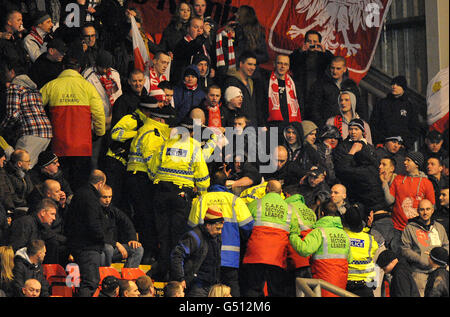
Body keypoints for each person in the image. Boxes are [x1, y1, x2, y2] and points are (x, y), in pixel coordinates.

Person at [148, 118, 210, 281]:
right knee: (177, 236)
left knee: (162, 235)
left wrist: (159, 180)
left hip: (161, 192)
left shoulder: (166, 143)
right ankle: (173, 277)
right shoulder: (193, 146)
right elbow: (202, 175)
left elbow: (153, 169)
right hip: (181, 195)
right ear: (191, 132)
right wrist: (202, 193)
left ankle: (161, 273)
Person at [40, 54, 105, 191]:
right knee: (80, 186)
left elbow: (35, 106)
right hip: (82, 147)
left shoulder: (51, 86)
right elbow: (99, 113)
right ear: (80, 69)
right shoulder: (88, 87)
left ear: (63, 67)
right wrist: (99, 132)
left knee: (60, 186)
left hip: (59, 145)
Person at [126, 96, 176, 263]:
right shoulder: (153, 133)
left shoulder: (150, 129)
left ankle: (148, 252)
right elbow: (151, 160)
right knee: (147, 217)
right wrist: (157, 179)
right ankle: (148, 254)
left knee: (144, 215)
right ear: (161, 120)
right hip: (142, 178)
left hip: (138, 177)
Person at [188, 170, 254, 297]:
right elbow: (248, 226)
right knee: (231, 288)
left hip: (206, 256)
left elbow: (191, 228)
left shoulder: (201, 200)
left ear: (211, 183)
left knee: (208, 289)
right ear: (225, 183)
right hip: (230, 257)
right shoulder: (235, 200)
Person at [240, 180, 294, 297]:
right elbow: (294, 233)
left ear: (267, 189)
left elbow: (245, 226)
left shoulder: (255, 204)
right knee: (276, 291)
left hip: (256, 253)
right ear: (281, 193)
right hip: (278, 256)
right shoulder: (290, 209)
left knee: (253, 289)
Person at [289, 198, 352, 297]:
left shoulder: (319, 232)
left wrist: (293, 235)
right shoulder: (344, 234)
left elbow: (304, 250)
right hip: (340, 284)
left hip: (323, 282)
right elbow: (350, 259)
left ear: (322, 213)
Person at [64, 169, 107, 297]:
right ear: (100, 183)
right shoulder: (91, 198)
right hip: (88, 247)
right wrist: (102, 238)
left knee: (88, 282)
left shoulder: (80, 193)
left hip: (79, 244)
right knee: (90, 282)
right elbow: (93, 223)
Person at [0, 65, 53, 168]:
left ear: (12, 71)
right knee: (27, 167)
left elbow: (12, 115)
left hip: (31, 132)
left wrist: (2, 129)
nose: (4, 75)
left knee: (18, 165)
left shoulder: (15, 87)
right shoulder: (33, 89)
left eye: (5, 72)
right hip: (46, 133)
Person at [384, 151, 435, 254]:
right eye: (405, 160)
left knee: (415, 256)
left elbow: (431, 206)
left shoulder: (426, 183)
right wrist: (385, 183)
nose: (405, 163)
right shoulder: (398, 179)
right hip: (397, 227)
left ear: (416, 164)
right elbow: (390, 201)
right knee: (398, 256)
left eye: (408, 160)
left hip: (417, 229)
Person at [333, 118, 386, 216]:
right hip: (351, 189)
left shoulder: (369, 147)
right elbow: (341, 169)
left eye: (356, 129)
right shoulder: (342, 147)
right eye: (351, 129)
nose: (353, 132)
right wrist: (352, 152)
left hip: (368, 190)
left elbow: (375, 165)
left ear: (362, 131)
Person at [170, 206, 224, 297]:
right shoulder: (194, 237)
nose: (220, 232)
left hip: (211, 286)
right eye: (217, 228)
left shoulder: (216, 238)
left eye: (221, 228)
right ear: (208, 225)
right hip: (197, 286)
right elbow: (177, 255)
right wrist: (180, 278)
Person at [83, 49, 122, 169]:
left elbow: (118, 94)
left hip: (113, 118)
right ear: (96, 64)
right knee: (95, 152)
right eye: (102, 68)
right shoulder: (87, 75)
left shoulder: (114, 74)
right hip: (97, 120)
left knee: (110, 152)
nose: (105, 70)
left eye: (107, 67)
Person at [400, 199, 449, 296]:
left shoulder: (439, 227)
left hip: (438, 272)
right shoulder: (410, 228)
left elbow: (446, 245)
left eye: (428, 209)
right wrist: (421, 259)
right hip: (419, 273)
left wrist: (438, 259)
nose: (425, 212)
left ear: (432, 210)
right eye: (422, 209)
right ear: (418, 211)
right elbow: (404, 249)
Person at [307, 56, 367, 127]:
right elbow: (314, 109)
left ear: (344, 69)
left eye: (338, 68)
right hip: (328, 127)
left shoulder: (351, 85)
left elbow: (360, 107)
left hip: (349, 126)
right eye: (332, 68)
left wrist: (359, 125)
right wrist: (324, 126)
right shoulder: (320, 84)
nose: (335, 71)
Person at [370, 75, 420, 150]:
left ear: (403, 88)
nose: (394, 86)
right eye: (393, 84)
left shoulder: (410, 106)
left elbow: (415, 128)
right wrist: (379, 142)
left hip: (403, 148)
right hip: (384, 146)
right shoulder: (381, 103)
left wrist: (406, 144)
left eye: (398, 85)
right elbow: (373, 124)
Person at [99, 185, 144, 268]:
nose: (108, 200)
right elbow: (97, 234)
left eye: (110, 197)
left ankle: (127, 278)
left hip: (113, 248)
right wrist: (116, 244)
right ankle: (107, 278)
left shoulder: (112, 210)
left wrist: (132, 239)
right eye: (104, 197)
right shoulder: (94, 210)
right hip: (100, 249)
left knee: (137, 249)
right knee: (108, 249)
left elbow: (127, 222)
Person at [284, 184, 317, 296]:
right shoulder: (309, 211)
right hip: (309, 256)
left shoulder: (287, 207)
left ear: (287, 194)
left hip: (294, 254)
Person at [289, 30, 334, 103]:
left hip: (319, 94)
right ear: (305, 42)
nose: (312, 44)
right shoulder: (298, 53)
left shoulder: (324, 55)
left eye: (315, 41)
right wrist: (300, 52)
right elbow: (289, 64)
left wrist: (324, 53)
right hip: (300, 93)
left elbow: (336, 65)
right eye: (309, 41)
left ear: (319, 43)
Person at [343, 204, 379, 297]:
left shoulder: (343, 236)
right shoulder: (370, 239)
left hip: (347, 285)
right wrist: (368, 228)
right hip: (366, 286)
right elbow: (373, 250)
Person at [223, 51, 263, 127]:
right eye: (250, 64)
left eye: (254, 65)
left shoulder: (252, 82)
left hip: (252, 126)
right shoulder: (232, 81)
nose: (253, 68)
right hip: (238, 128)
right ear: (241, 64)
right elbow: (230, 106)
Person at [263, 54, 303, 131]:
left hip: (290, 126)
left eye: (285, 64)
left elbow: (301, 105)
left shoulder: (294, 84)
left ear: (288, 67)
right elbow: (260, 106)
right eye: (279, 63)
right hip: (271, 126)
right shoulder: (266, 82)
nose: (282, 66)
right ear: (274, 64)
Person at [172, 17, 212, 85]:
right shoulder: (182, 44)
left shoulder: (204, 44)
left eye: (201, 28)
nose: (199, 30)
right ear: (188, 29)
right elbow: (192, 48)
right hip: (183, 83)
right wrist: (204, 36)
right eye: (196, 27)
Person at [4, 149, 34, 214]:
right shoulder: (7, 175)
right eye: (28, 161)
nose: (30, 163)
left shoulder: (25, 172)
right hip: (16, 208)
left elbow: (31, 190)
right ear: (19, 164)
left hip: (26, 205)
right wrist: (27, 204)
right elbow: (12, 196)